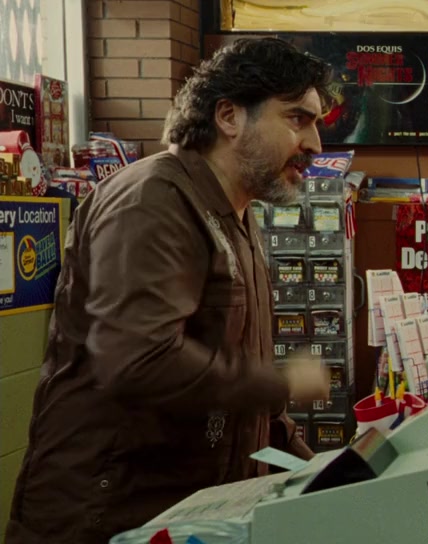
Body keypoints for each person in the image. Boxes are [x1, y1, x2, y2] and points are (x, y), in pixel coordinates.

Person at [6, 37, 333, 543]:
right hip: (107, 519)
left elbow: (251, 409)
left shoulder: (236, 214)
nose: (315, 144)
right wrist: (280, 381)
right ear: (229, 116)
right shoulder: (151, 201)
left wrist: (326, 476)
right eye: (297, 119)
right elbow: (138, 359)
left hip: (189, 517)